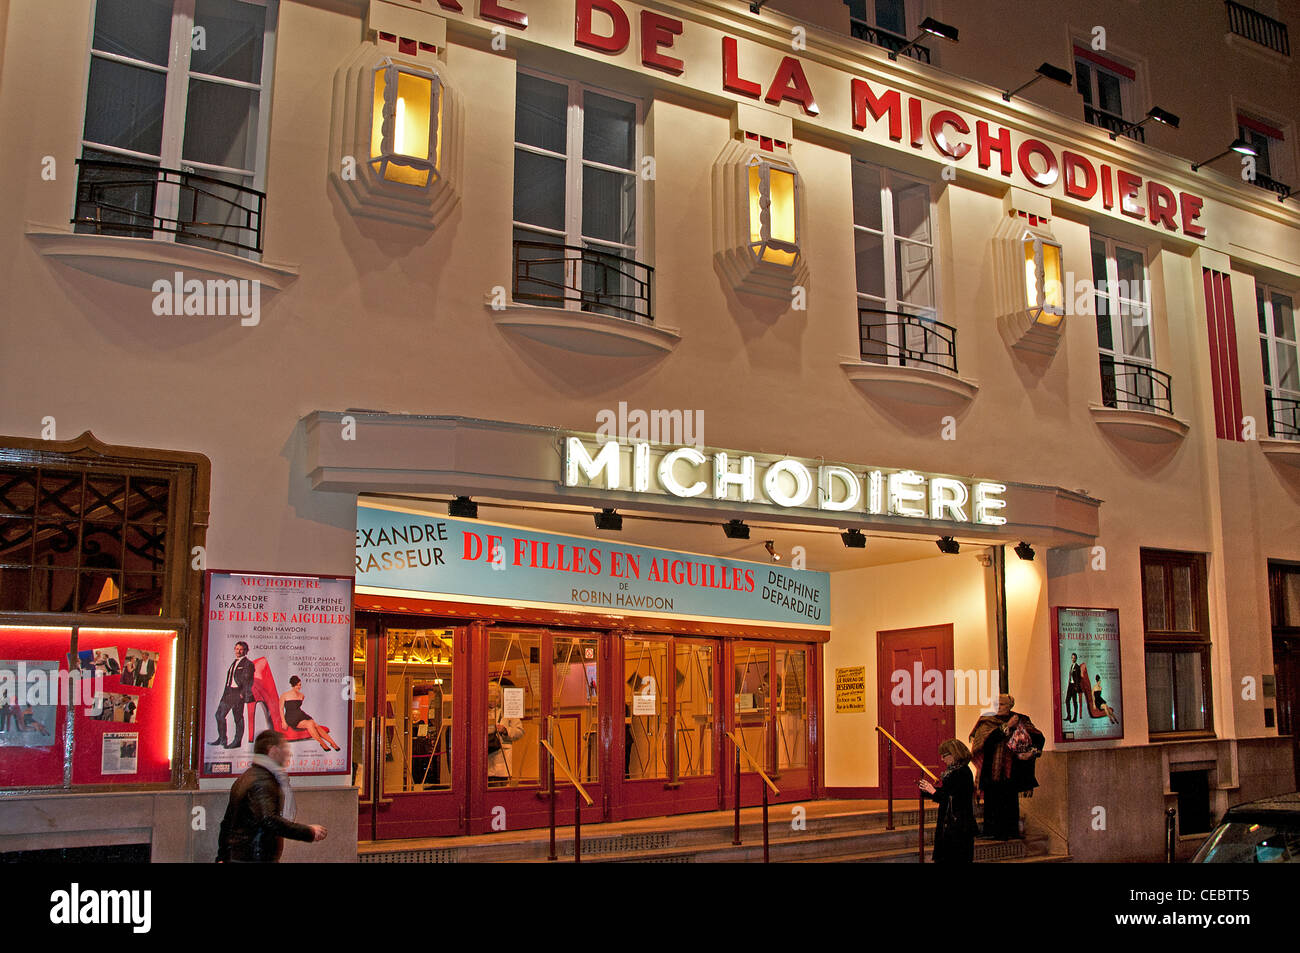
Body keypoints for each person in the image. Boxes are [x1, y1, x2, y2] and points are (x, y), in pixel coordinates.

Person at [216, 730, 327, 862]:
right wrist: (309, 832)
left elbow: (227, 823)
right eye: (284, 748)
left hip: (242, 857)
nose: (288, 753)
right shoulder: (263, 781)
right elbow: (269, 820)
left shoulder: (247, 777)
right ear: (273, 750)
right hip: (256, 857)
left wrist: (222, 857)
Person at [969, 693, 1044, 840]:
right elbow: (986, 741)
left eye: (1001, 704)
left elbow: (1038, 737)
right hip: (992, 768)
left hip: (1014, 768)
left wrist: (1032, 752)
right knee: (992, 800)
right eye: (996, 703)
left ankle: (1011, 831)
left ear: (1010, 706)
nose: (998, 706)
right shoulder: (987, 720)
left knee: (1010, 800)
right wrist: (1007, 726)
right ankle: (991, 831)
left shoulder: (1021, 719)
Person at [919, 739, 976, 863]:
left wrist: (933, 791)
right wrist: (929, 791)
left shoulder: (961, 772)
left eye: (944, 756)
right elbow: (948, 792)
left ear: (953, 754)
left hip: (958, 826)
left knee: (953, 857)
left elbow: (953, 797)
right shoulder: (956, 771)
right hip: (954, 823)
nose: (942, 759)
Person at [211, 641, 255, 749]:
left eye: (241, 649)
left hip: (238, 693)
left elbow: (249, 681)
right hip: (228, 692)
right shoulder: (234, 662)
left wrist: (242, 694)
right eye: (237, 649)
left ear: (246, 651)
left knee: (238, 718)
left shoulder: (248, 664)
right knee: (219, 715)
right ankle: (222, 739)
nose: (238, 651)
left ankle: (237, 741)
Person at [280, 676, 340, 751]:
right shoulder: (284, 695)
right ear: (292, 685)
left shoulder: (302, 695)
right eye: (297, 685)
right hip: (291, 718)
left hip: (301, 715)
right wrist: (283, 722)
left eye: (300, 685)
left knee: (316, 725)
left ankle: (333, 743)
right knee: (310, 724)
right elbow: (281, 709)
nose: (299, 687)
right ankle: (322, 743)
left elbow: (297, 707)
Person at [487, 681, 524, 785]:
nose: (493, 700)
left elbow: (520, 731)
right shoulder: (479, 712)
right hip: (484, 762)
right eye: (490, 697)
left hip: (502, 762)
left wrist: (505, 730)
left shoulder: (508, 711)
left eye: (496, 697)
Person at [1064, 653, 1083, 723]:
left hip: (1074, 686)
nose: (1073, 659)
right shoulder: (1072, 666)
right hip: (1070, 685)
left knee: (1074, 702)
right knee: (1067, 701)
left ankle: (1075, 718)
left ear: (1076, 658)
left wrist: (1076, 687)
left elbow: (1079, 678)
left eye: (1074, 658)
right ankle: (1069, 716)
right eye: (1072, 658)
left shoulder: (1077, 667)